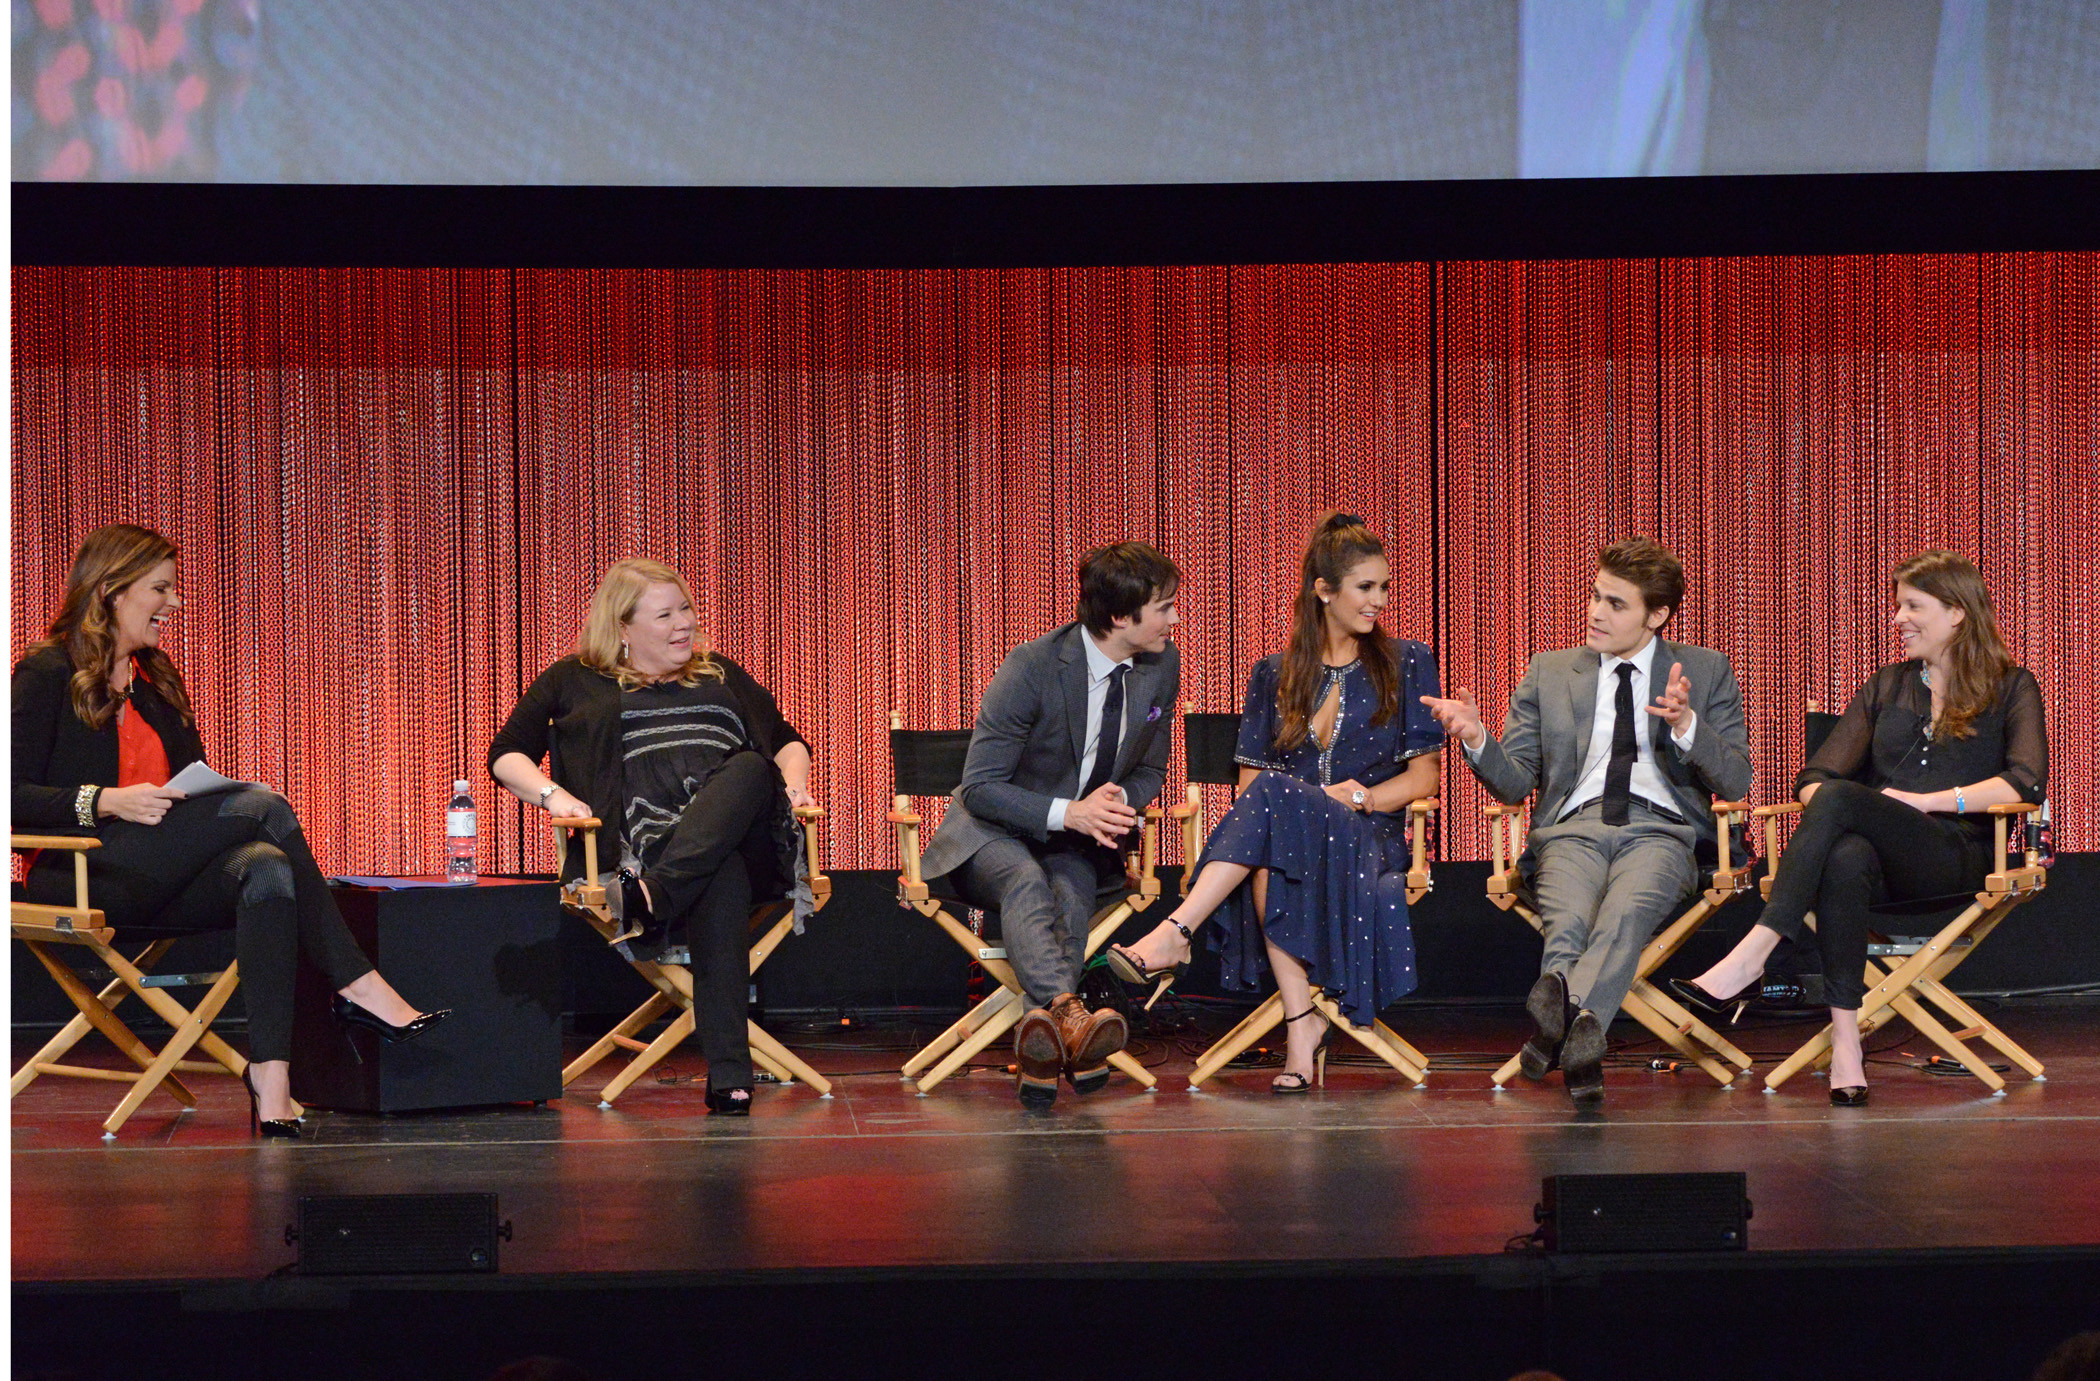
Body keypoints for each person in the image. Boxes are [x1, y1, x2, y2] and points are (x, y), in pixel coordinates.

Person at [11, 525, 446, 1139]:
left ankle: (271, 1079)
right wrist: (104, 801)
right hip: (81, 873)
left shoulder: (156, 680)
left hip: (158, 872)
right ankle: (358, 984)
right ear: (112, 590)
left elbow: (193, 790)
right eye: (161, 588)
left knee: (266, 864)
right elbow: (11, 794)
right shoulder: (46, 671)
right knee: (263, 804)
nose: (176, 602)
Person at [1673, 551, 2047, 1107]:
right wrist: (1849, 807)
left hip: (1959, 856)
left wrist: (1926, 802)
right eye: (1898, 606)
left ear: (1956, 613)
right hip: (1879, 867)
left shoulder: (2012, 686)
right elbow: (1813, 779)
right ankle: (1847, 1045)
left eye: (1913, 606)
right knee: (1844, 854)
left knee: (1845, 799)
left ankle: (1755, 953)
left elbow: (2025, 782)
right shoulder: (1887, 686)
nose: (1898, 618)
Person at [1108, 514, 1442, 1092]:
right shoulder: (1273, 674)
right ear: (1324, 591)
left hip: (1368, 839)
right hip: (1287, 842)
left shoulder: (1408, 661)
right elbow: (1247, 788)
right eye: (1366, 587)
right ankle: (1301, 1025)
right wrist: (1299, 810)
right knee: (1269, 829)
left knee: (1272, 794)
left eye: (1384, 587)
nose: (1380, 600)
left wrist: (1358, 796)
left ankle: (1178, 931)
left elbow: (1424, 778)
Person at [1421, 537, 1752, 1103]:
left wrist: (1687, 726)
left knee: (1624, 914)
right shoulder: (1550, 672)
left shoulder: (1703, 669)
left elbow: (1737, 780)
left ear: (1656, 616)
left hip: (1660, 831)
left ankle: (1553, 1029)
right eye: (1596, 596)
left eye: (1616, 604)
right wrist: (1476, 737)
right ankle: (1580, 1037)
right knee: (1569, 920)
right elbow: (1515, 782)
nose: (1596, 612)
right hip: (1571, 829)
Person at [489, 558, 814, 1115]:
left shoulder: (719, 673)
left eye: (685, 608)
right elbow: (506, 754)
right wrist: (555, 797)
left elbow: (786, 742)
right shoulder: (573, 679)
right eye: (665, 615)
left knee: (751, 768)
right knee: (720, 874)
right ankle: (731, 1076)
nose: (684, 623)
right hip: (642, 848)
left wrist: (795, 786)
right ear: (623, 627)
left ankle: (657, 898)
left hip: (740, 838)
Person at [919, 542, 1181, 1108]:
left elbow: (1152, 769)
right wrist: (1071, 811)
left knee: (1069, 892)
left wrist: (1115, 803)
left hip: (1078, 842)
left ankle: (1047, 1049)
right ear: (1120, 616)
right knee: (1025, 880)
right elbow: (980, 787)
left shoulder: (1161, 666)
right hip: (990, 834)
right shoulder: (1032, 666)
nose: (1174, 618)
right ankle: (1071, 1019)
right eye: (1163, 607)